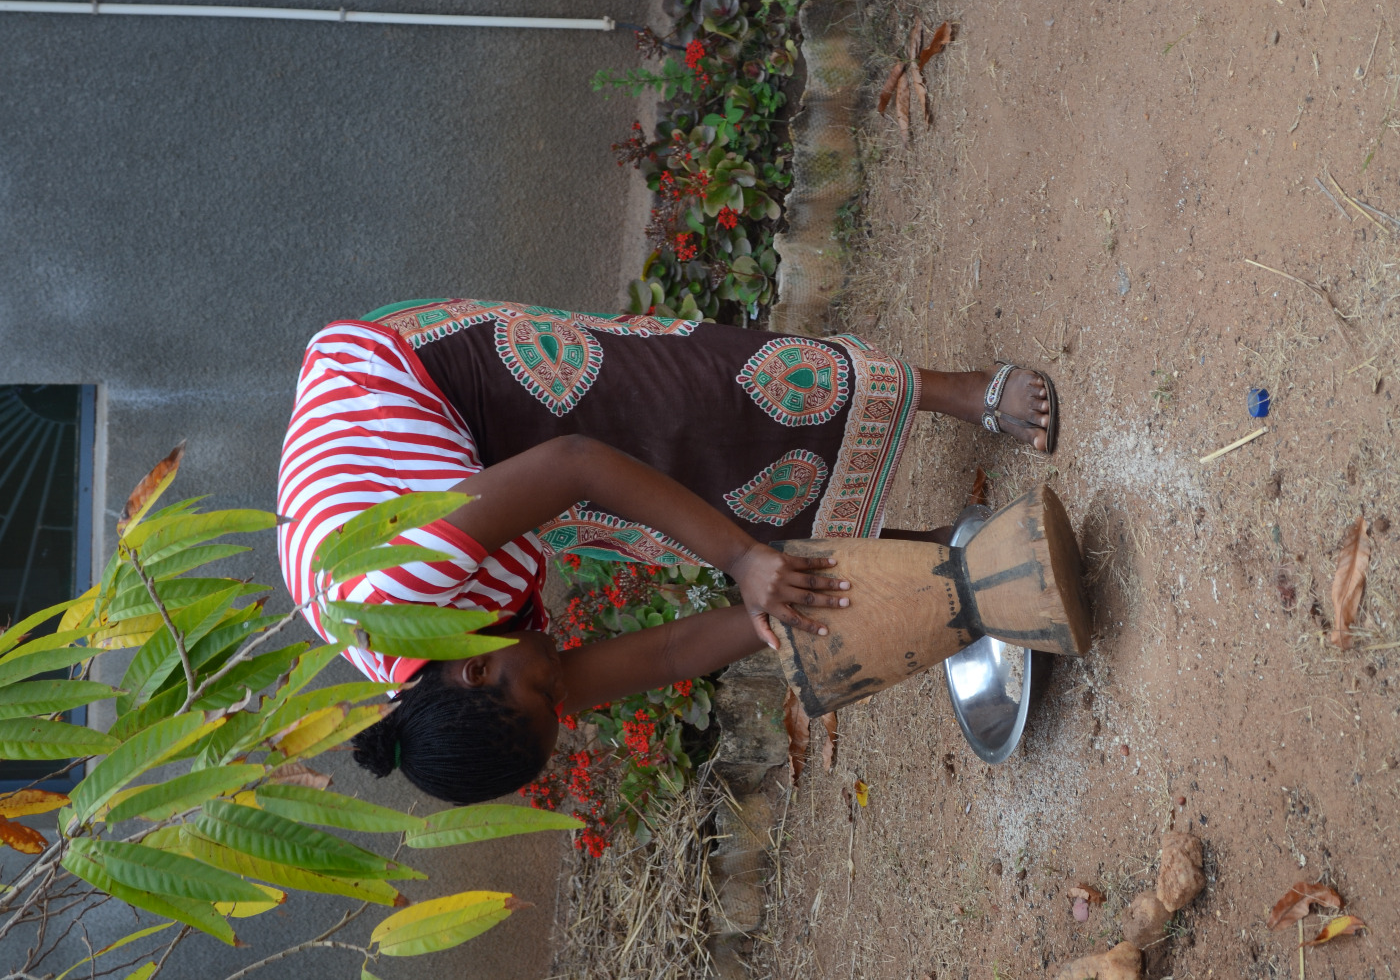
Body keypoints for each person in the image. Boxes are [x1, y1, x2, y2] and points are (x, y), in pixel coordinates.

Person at [277, 298, 1058, 805]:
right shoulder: (490, 695)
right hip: (451, 488)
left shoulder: (403, 581)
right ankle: (941, 557)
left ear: (478, 668)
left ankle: (958, 389)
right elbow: (668, 654)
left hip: (408, 385)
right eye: (562, 706)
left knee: (699, 395)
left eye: (548, 693)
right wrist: (777, 612)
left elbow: (577, 461)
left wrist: (743, 563)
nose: (566, 692)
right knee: (702, 517)